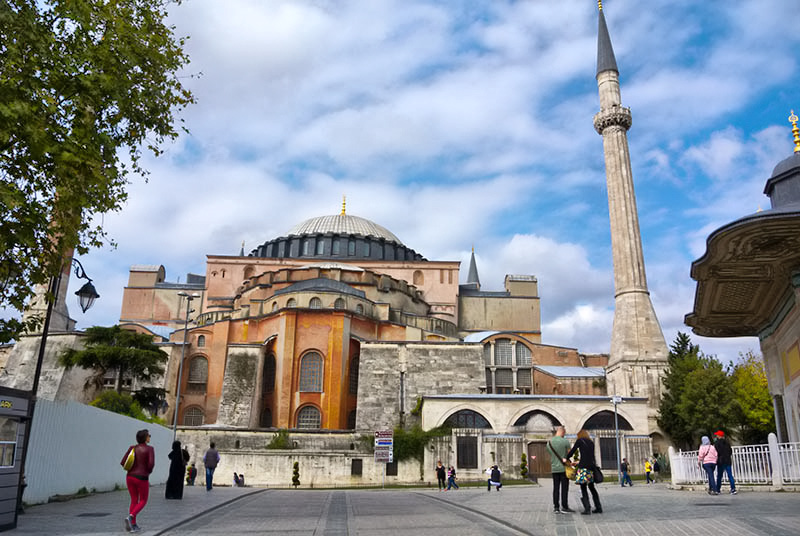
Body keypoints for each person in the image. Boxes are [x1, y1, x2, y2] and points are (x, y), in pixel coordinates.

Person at [121, 429, 155, 533]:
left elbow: (123, 462)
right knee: (143, 500)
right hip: (142, 478)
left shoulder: (132, 448)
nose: (150, 437)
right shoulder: (149, 449)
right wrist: (147, 472)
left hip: (130, 477)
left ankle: (133, 525)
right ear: (145, 437)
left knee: (134, 499)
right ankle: (131, 517)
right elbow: (151, 464)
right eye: (149, 435)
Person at [564, 429, 602, 515]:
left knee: (583, 487)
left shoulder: (580, 441)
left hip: (583, 468)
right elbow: (590, 456)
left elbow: (573, 451)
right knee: (592, 488)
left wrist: (566, 458)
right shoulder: (591, 442)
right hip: (591, 468)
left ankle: (587, 508)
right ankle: (598, 507)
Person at [547, 426, 574, 513]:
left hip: (554, 468)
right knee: (564, 488)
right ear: (562, 432)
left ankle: (556, 507)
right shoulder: (565, 441)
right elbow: (569, 453)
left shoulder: (549, 443)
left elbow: (550, 453)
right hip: (564, 468)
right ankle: (565, 506)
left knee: (556, 488)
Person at [713, 430, 737, 495]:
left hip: (720, 461)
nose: (716, 436)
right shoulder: (727, 442)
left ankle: (718, 490)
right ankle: (733, 489)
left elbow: (716, 452)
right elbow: (730, 451)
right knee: (730, 475)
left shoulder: (716, 443)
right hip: (728, 460)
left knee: (719, 476)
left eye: (717, 435)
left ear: (719, 436)